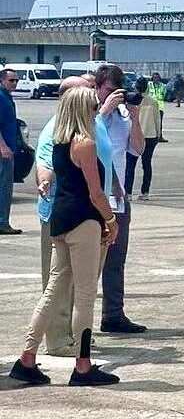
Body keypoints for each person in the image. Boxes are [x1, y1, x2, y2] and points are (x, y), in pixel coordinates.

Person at [8, 86, 121, 386]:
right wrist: (111, 220)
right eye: (93, 105)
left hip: (60, 219)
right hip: (84, 221)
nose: (97, 109)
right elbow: (96, 193)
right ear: (83, 109)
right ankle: (82, 366)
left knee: (54, 290)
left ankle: (27, 357)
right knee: (84, 295)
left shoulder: (60, 142)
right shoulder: (84, 144)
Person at [33, 75, 94, 357]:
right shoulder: (57, 131)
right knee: (66, 286)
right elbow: (44, 164)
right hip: (68, 215)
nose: (93, 97)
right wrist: (108, 218)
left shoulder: (85, 127)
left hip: (74, 214)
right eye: (87, 91)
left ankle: (33, 351)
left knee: (65, 283)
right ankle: (59, 341)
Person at [96, 65, 147, 334]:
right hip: (93, 196)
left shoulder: (125, 116)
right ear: (97, 89)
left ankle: (113, 314)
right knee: (87, 262)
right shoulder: (92, 112)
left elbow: (137, 149)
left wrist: (135, 117)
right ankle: (74, 321)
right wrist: (104, 110)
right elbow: (89, 138)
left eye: (118, 92)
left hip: (118, 198)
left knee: (116, 260)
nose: (114, 96)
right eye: (108, 91)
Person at [129, 77, 160, 201]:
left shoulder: (133, 101)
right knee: (147, 164)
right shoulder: (153, 101)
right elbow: (157, 119)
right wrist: (158, 133)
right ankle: (145, 191)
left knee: (131, 164)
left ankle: (128, 192)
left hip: (136, 134)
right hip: (150, 134)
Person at [0, 67, 22, 234]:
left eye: (16, 80)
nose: (14, 83)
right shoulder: (1, 97)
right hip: (3, 151)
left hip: (9, 148)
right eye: (11, 80)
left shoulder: (7, 97)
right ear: (2, 80)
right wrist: (3, 146)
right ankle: (2, 222)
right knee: (5, 186)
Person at [145, 73, 167, 143]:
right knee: (149, 122)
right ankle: (149, 136)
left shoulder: (163, 86)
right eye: (154, 77)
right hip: (150, 106)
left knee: (159, 122)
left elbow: (164, 94)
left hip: (160, 106)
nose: (156, 79)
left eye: (157, 77)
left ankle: (159, 136)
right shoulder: (149, 85)